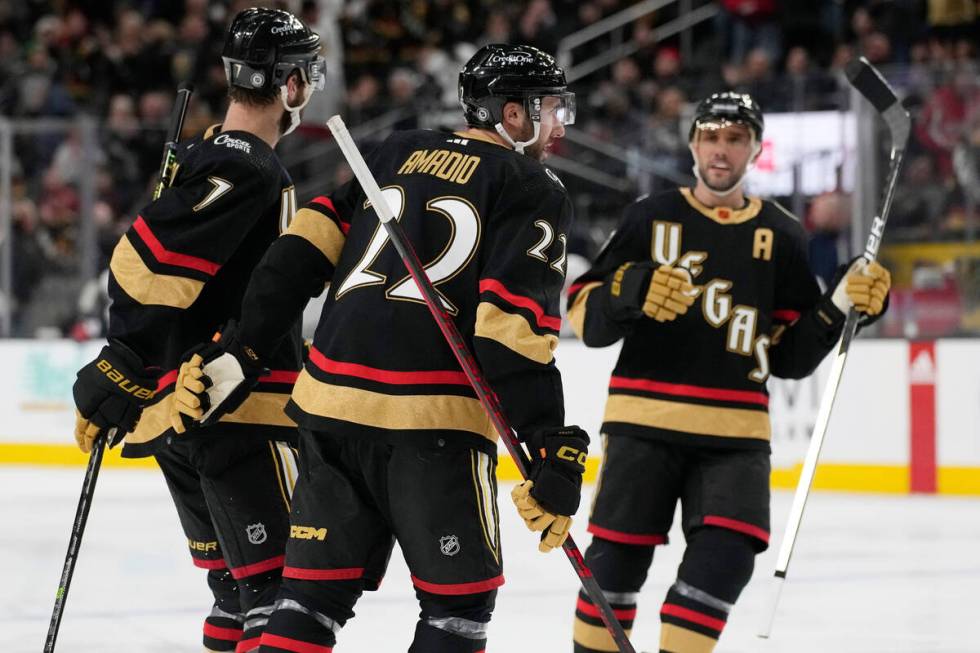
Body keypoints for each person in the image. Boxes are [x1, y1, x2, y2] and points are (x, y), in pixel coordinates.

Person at [171, 44, 588, 653]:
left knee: (310, 599)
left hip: (328, 411)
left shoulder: (393, 151)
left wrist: (245, 349)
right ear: (514, 115)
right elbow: (507, 332)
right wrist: (547, 439)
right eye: (551, 109)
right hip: (432, 423)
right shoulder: (532, 186)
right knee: (458, 611)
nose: (558, 125)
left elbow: (294, 256)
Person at [565, 91, 891, 653]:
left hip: (736, 435)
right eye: (711, 136)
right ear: (693, 143)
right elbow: (585, 314)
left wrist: (840, 305)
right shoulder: (650, 217)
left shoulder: (783, 234)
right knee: (614, 566)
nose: (722, 149)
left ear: (756, 149)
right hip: (644, 423)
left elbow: (789, 358)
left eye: (735, 138)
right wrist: (633, 289)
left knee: (726, 560)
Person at [70, 8, 325, 652]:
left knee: (235, 596)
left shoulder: (213, 152)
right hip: (236, 408)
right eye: (308, 75)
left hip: (183, 412)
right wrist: (124, 356)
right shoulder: (249, 164)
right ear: (288, 82)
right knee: (278, 597)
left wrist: (136, 365)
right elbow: (148, 262)